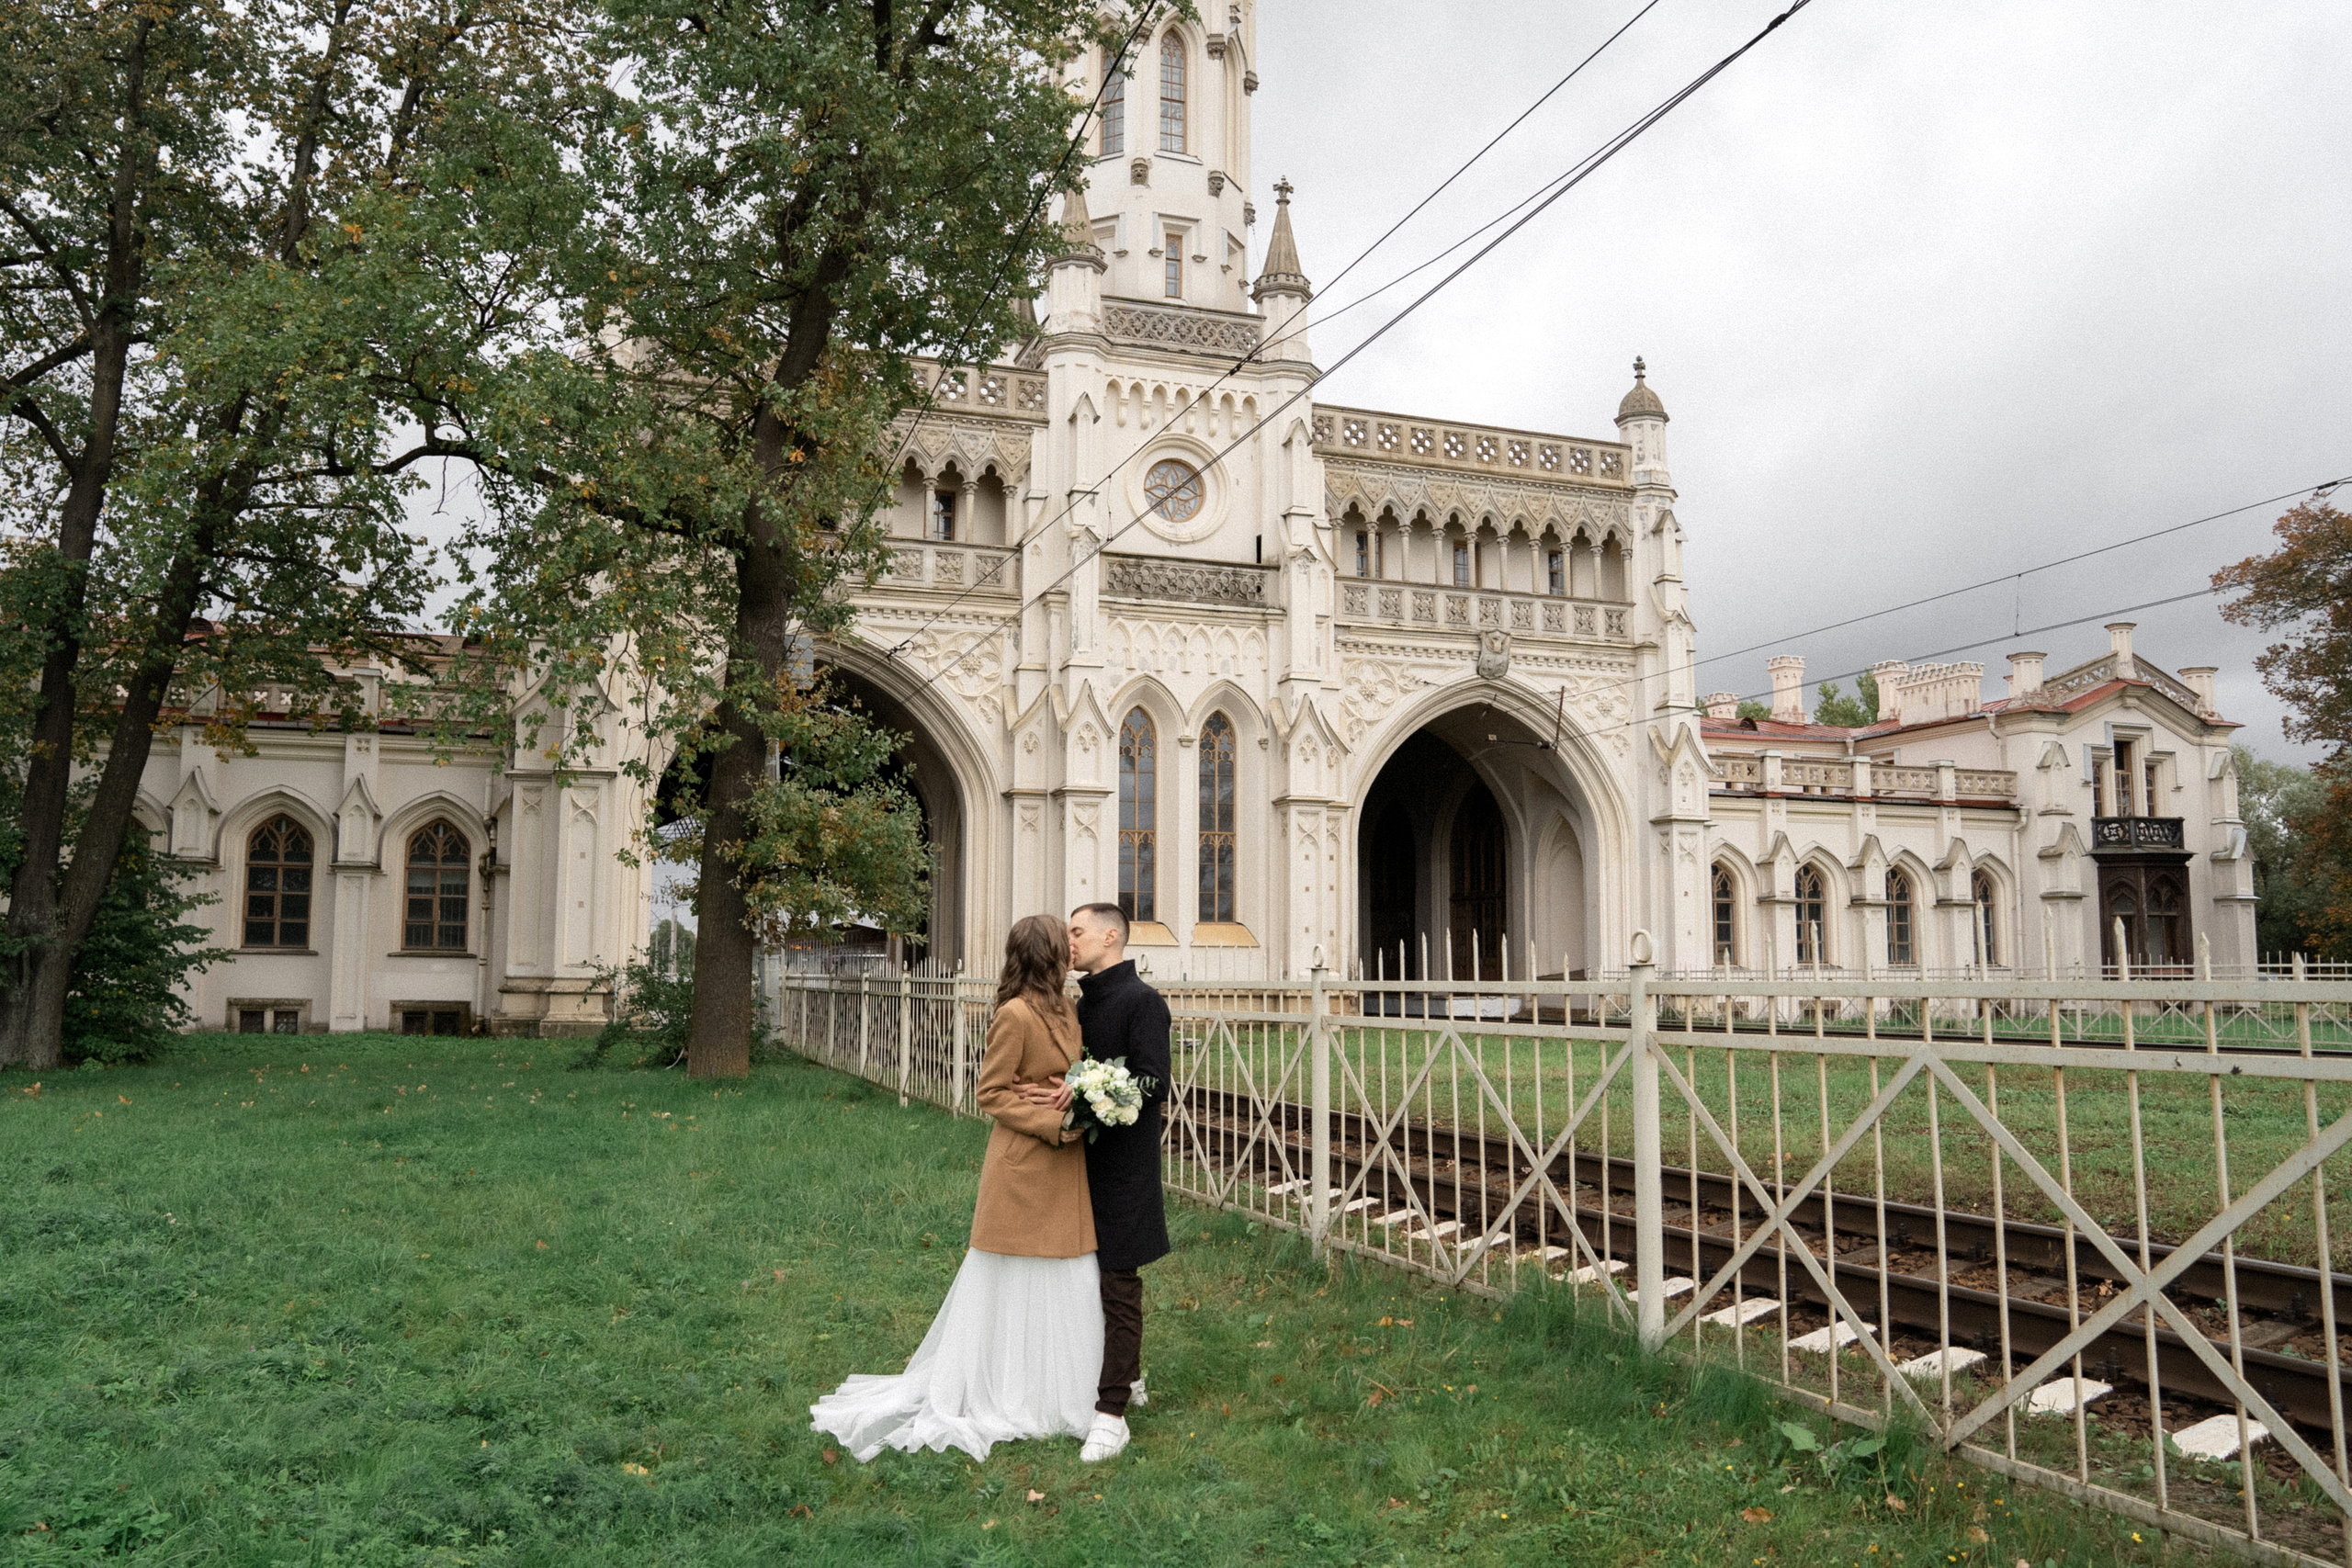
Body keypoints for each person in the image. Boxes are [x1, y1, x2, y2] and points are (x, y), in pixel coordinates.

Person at [808, 914, 1100, 1462]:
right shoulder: (1014, 1014)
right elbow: (989, 1093)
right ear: (1048, 956)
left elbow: (1074, 1069)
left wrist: (1072, 1090)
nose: (1072, 954)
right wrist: (1050, 1120)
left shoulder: (1067, 1008)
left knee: (1065, 1272)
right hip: (1024, 1167)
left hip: (1065, 1170)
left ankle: (1059, 1389)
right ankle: (1008, 1389)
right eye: (1065, 946)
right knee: (1016, 1277)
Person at [1035, 901, 1171, 1463]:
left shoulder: (1143, 1002)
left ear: (1111, 935)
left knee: (1118, 1283)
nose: (1068, 941)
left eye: (1077, 931)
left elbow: (1153, 1082)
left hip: (1124, 1169)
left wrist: (1087, 1086)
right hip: (1076, 1163)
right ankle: (1129, 1374)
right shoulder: (1078, 1004)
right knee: (1084, 1279)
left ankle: (1111, 1415)